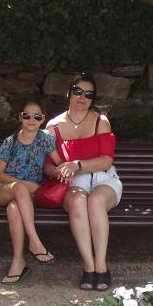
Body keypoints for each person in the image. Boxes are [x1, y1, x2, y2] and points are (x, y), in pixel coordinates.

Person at [45, 73, 122, 292]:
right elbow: (47, 165)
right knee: (79, 202)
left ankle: (101, 265)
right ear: (68, 93)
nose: (82, 97)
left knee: (95, 202)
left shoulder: (100, 121)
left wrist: (76, 164)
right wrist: (58, 171)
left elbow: (106, 160)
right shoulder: (53, 127)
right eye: (78, 92)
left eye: (89, 94)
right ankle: (88, 266)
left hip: (103, 176)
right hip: (74, 182)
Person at [0, 99, 57, 284]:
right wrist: (25, 184)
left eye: (37, 116)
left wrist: (58, 171)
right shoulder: (10, 142)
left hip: (28, 196)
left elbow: (58, 163)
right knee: (19, 188)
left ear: (43, 119)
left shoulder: (46, 139)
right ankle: (35, 242)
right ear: (20, 117)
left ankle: (18, 261)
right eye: (27, 115)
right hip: (5, 189)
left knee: (14, 209)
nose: (32, 119)